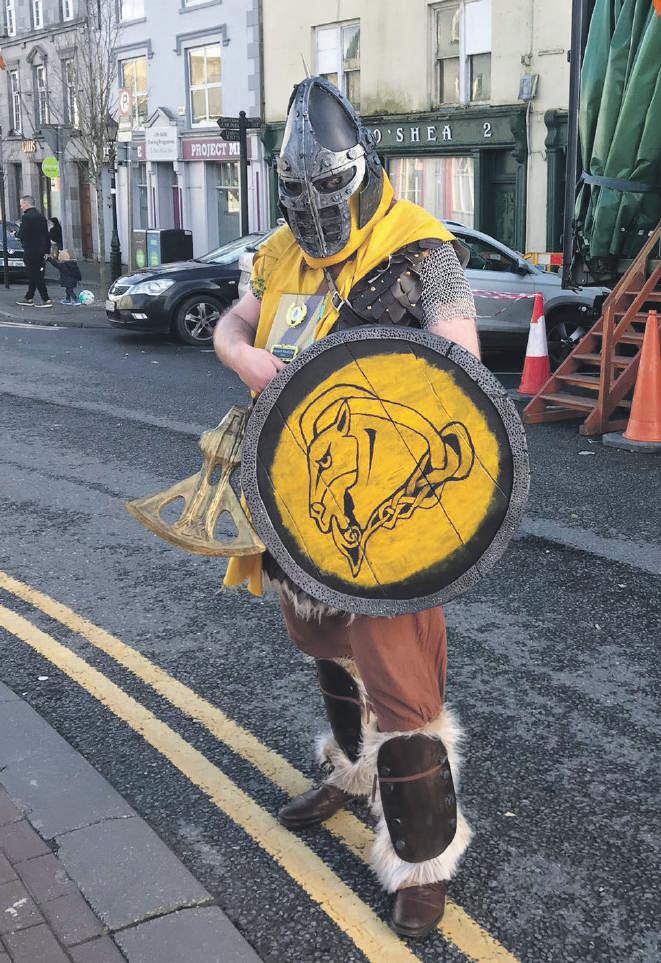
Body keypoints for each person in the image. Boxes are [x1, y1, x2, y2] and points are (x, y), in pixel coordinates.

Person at [214, 77, 479, 940]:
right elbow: (232, 324)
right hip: (296, 499)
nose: (316, 208)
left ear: (361, 171)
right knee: (322, 641)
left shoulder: (418, 248)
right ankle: (350, 772)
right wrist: (244, 359)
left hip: (389, 513)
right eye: (300, 194)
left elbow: (460, 368)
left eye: (327, 188)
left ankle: (423, 860)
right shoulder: (279, 252)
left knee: (401, 682)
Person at [16, 196, 51, 307]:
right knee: (34, 274)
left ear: (26, 204)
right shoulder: (41, 217)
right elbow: (46, 235)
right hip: (41, 250)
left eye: (22, 204)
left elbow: (22, 234)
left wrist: (16, 233)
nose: (21, 207)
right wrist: (47, 251)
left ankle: (46, 299)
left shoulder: (26, 217)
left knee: (36, 275)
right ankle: (29, 297)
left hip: (30, 249)